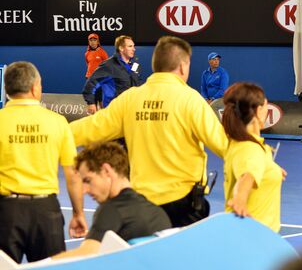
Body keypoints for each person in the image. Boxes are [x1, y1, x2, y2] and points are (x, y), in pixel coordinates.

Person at [71, 36, 228, 227]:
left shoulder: (130, 99)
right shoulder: (191, 100)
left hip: (141, 207)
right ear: (183, 65)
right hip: (184, 207)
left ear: (155, 64)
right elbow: (225, 145)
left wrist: (45, 132)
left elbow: (88, 128)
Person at [0, 62, 86, 263]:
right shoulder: (57, 122)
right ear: (34, 88)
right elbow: (72, 174)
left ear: (7, 88)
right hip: (46, 213)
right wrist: (78, 213)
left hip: (5, 212)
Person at [52, 142, 172, 259]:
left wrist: (39, 266)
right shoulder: (158, 213)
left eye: (88, 181)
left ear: (106, 171)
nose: (84, 190)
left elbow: (86, 255)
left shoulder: (111, 210)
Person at [222, 82, 285, 232]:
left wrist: (272, 169)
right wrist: (240, 199)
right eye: (266, 107)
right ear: (258, 111)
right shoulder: (251, 148)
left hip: (248, 235)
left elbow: (251, 166)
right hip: (255, 237)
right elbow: (247, 177)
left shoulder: (240, 143)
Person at [82, 35, 142, 115]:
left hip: (131, 110)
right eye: (130, 46)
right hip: (113, 112)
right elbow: (91, 83)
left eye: (133, 46)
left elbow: (138, 83)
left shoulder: (135, 64)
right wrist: (91, 103)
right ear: (121, 48)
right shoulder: (109, 65)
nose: (134, 49)